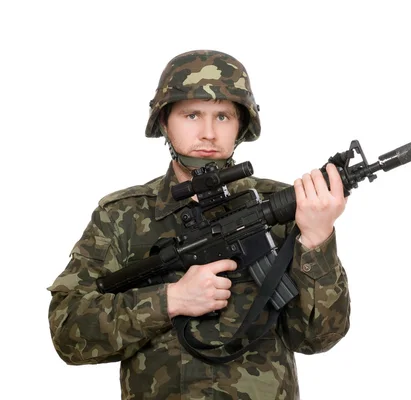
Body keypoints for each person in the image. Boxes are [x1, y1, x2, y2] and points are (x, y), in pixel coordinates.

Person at [47, 49, 351, 399]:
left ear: (241, 125)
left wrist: (316, 239)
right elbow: (68, 332)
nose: (208, 133)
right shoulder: (122, 216)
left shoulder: (289, 208)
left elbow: (318, 337)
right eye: (192, 115)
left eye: (222, 116)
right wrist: (170, 300)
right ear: (164, 122)